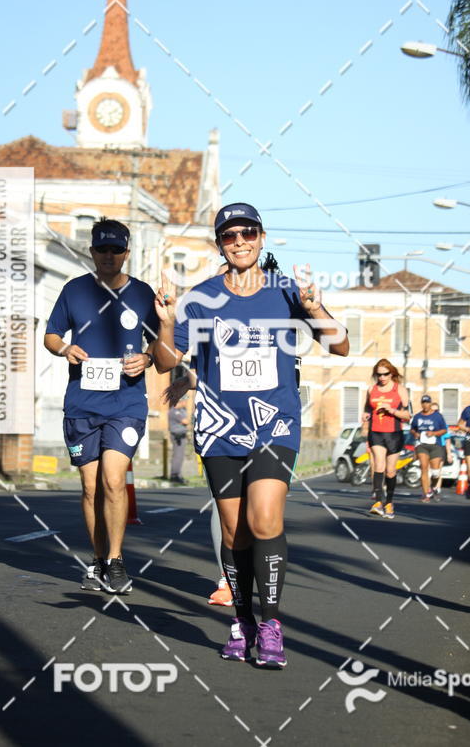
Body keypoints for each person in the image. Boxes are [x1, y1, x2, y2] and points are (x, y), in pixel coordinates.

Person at [153, 202, 349, 668]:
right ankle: (241, 623)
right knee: (235, 532)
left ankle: (272, 624)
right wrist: (164, 321)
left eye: (248, 233)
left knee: (265, 522)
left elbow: (340, 344)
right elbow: (164, 362)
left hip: (274, 424)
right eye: (229, 236)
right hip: (219, 427)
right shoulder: (198, 299)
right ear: (219, 243)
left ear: (262, 238)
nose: (239, 242)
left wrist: (314, 306)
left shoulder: (287, 293)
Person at [44, 218, 158, 594]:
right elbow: (51, 335)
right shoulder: (74, 290)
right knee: (90, 486)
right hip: (82, 403)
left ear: (126, 253)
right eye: (102, 249)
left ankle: (117, 560)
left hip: (125, 402)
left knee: (113, 481)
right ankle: (97, 559)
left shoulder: (143, 294)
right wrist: (64, 348)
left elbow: (166, 343)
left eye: (117, 250)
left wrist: (147, 357)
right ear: (92, 252)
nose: (109, 256)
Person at [162, 372, 233, 607]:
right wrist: (185, 380)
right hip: (217, 424)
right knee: (220, 500)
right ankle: (227, 579)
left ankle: (257, 576)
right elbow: (198, 362)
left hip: (268, 419)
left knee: (260, 507)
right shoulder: (207, 335)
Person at [362, 359, 410, 518]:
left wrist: (392, 410)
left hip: (394, 434)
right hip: (376, 432)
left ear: (392, 373)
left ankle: (389, 502)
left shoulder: (400, 390)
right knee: (378, 465)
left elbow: (408, 415)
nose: (382, 377)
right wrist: (366, 414)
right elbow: (367, 407)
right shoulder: (371, 390)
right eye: (379, 374)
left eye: (385, 374)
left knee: (390, 470)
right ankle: (378, 501)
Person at [410, 396, 448, 502]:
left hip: (436, 445)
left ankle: (433, 487)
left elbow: (444, 430)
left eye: (427, 403)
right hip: (422, 445)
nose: (425, 405)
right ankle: (426, 494)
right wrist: (415, 434)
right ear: (421, 404)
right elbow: (412, 429)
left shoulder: (437, 416)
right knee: (424, 468)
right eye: (423, 403)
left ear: (430, 404)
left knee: (435, 472)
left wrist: (434, 433)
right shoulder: (418, 417)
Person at [168, 397, 189, 485]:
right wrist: (184, 422)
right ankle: (174, 475)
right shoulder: (174, 411)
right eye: (185, 401)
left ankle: (178, 474)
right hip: (177, 436)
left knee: (180, 456)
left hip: (182, 435)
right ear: (181, 401)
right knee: (177, 456)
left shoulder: (182, 410)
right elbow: (186, 421)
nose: (186, 403)